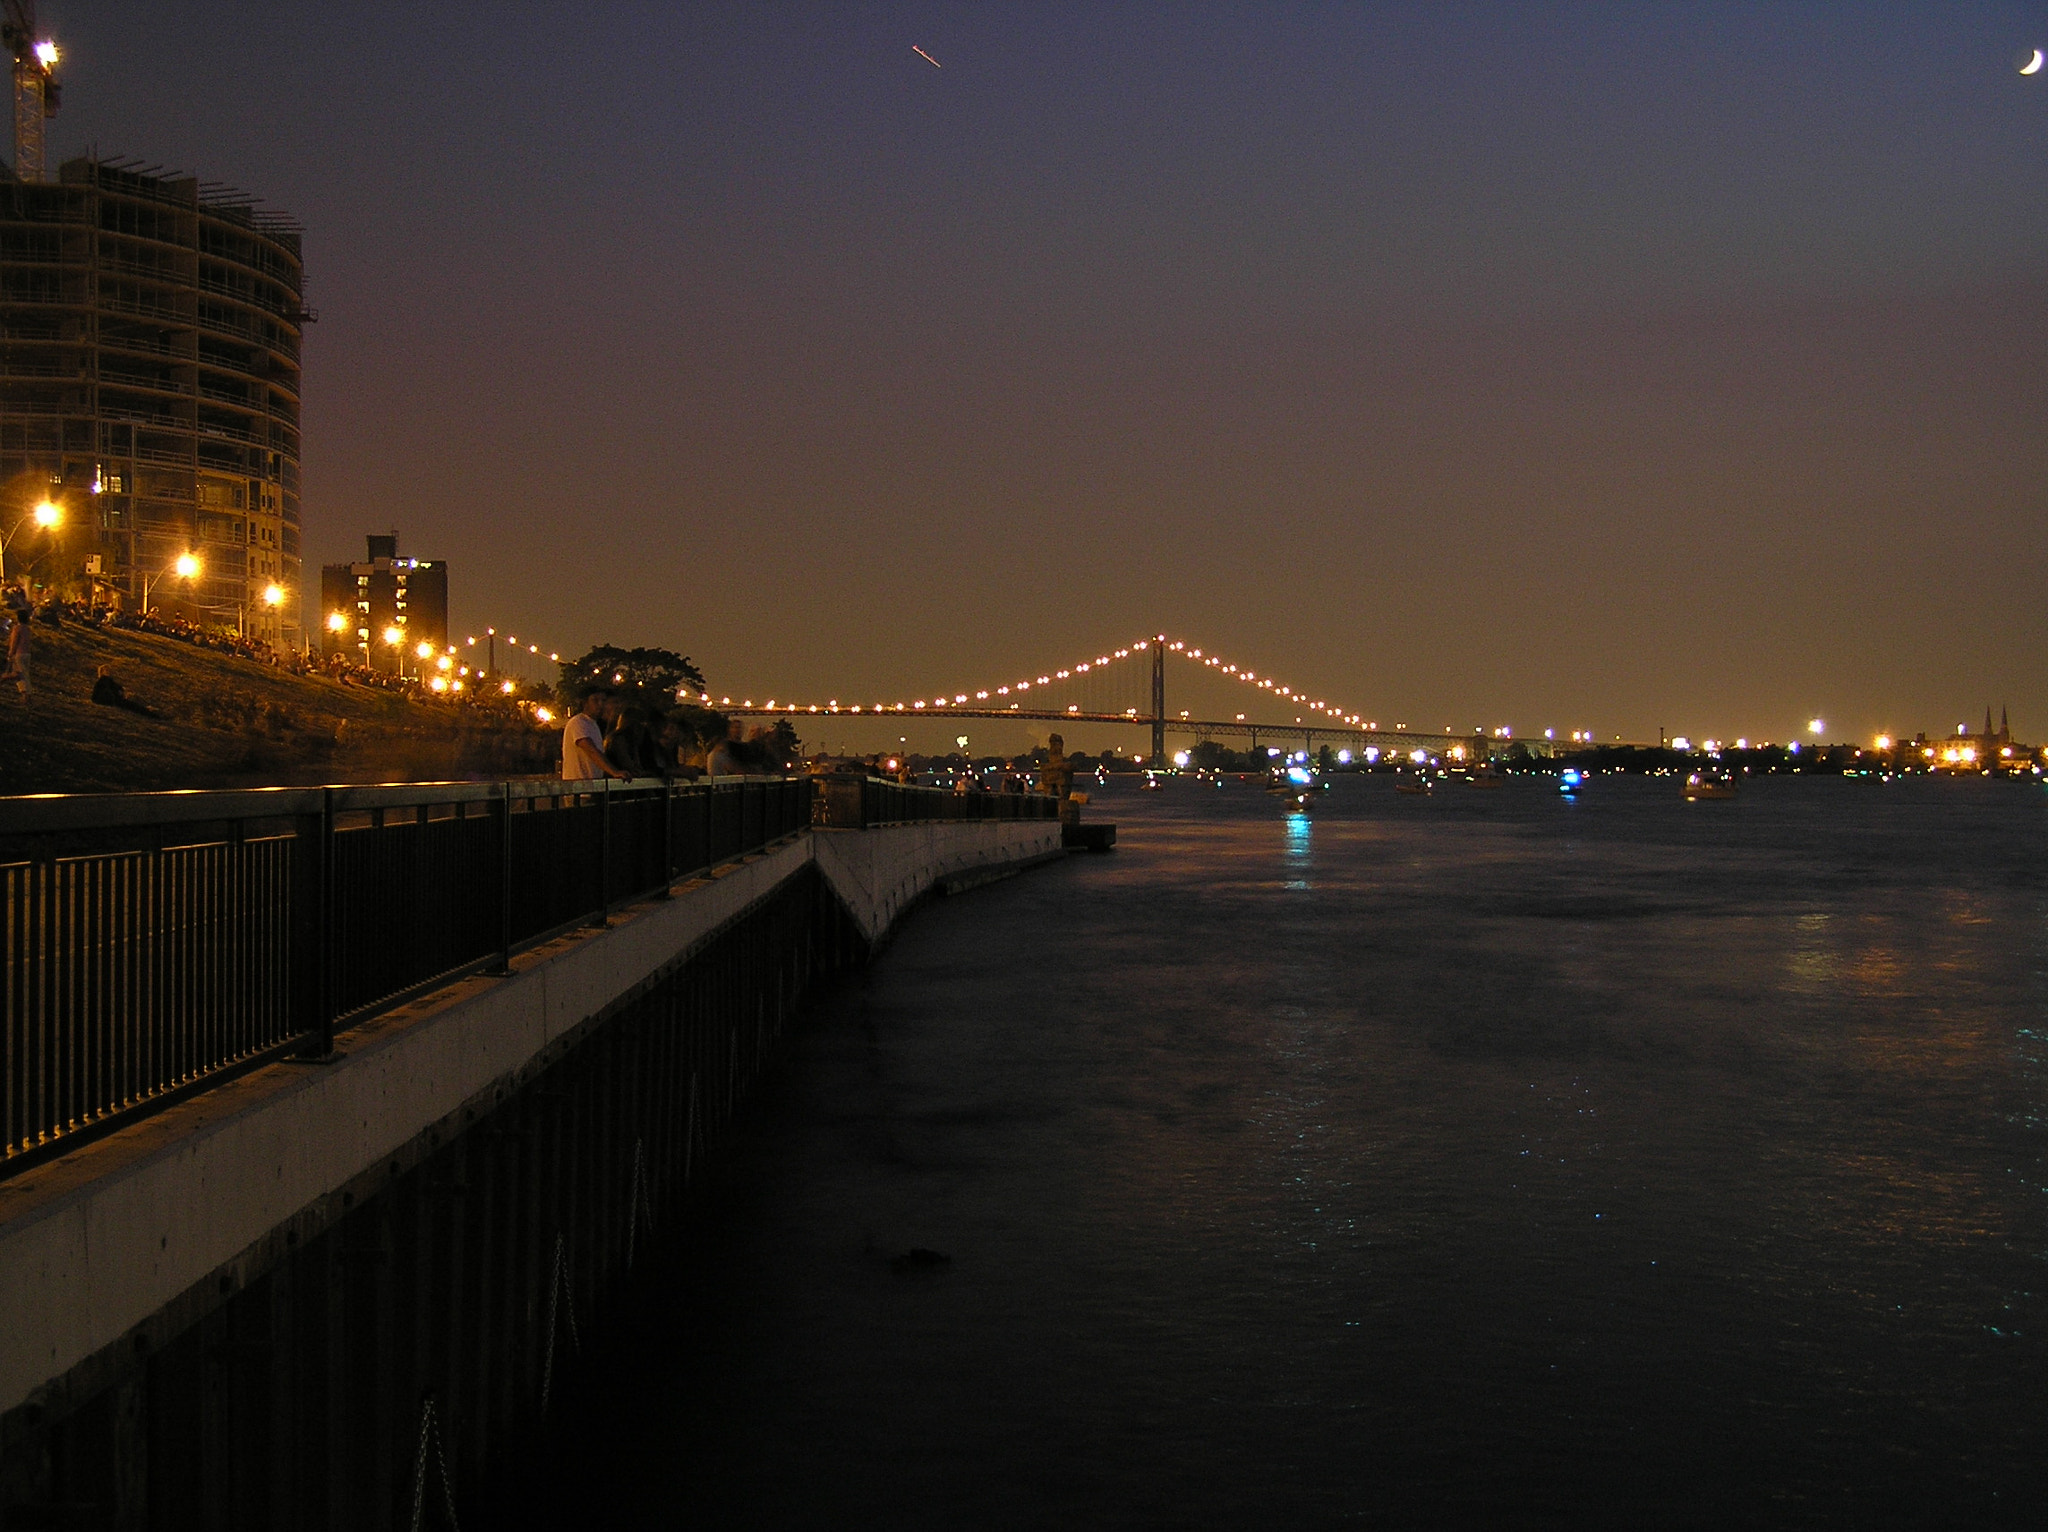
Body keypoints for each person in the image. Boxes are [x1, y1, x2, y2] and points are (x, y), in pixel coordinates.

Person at [562, 685, 627, 782]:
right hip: (578, 789)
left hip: (592, 785)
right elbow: (591, 750)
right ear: (585, 703)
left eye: (603, 700)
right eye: (595, 700)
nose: (600, 704)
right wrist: (614, 772)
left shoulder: (593, 724)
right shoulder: (578, 722)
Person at [90, 664, 156, 716]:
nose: (108, 671)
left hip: (114, 700)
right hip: (112, 701)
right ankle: (148, 712)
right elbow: (108, 692)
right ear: (102, 672)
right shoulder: (103, 680)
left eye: (109, 670)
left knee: (132, 704)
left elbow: (117, 688)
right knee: (131, 705)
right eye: (106, 670)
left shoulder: (107, 680)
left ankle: (147, 710)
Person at [2, 587, 31, 700]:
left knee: (19, 674)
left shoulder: (17, 629)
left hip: (19, 654)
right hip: (27, 654)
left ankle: (24, 693)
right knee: (20, 674)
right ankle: (25, 694)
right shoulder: (27, 629)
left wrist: (10, 653)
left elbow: (14, 641)